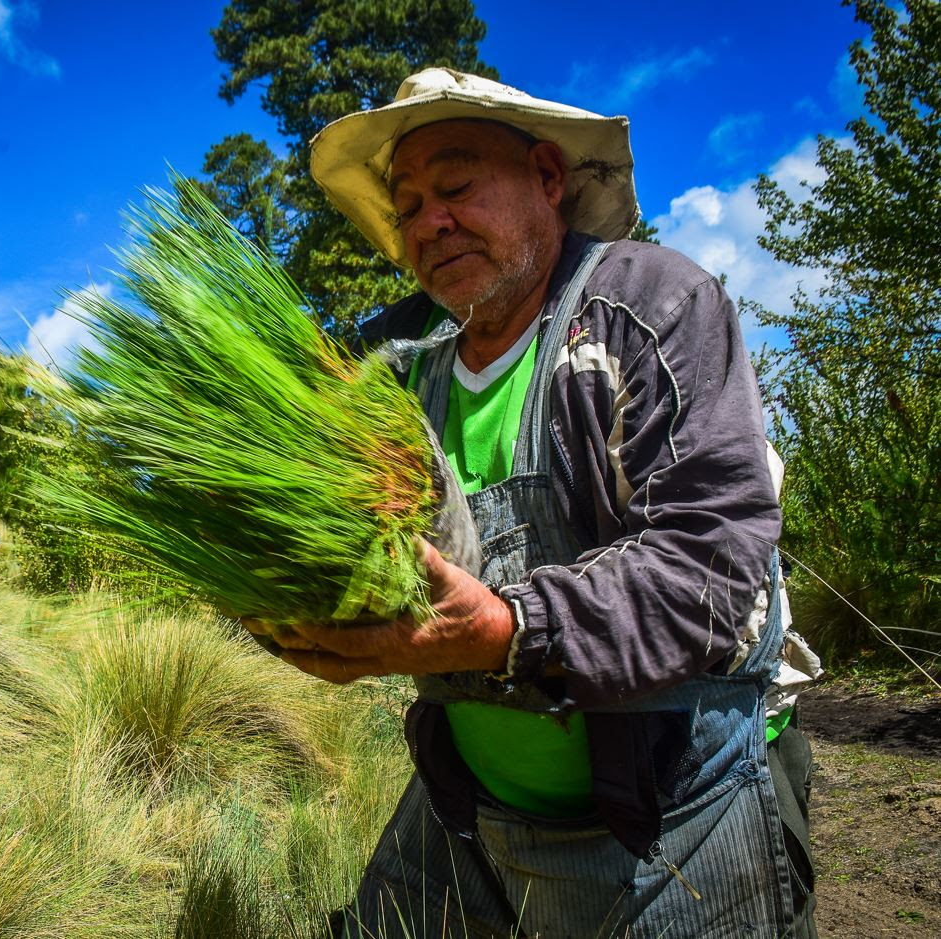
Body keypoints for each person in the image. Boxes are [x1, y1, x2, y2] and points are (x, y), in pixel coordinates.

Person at [249, 69, 819, 938]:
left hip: (674, 812)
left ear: (548, 179)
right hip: (469, 809)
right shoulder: (390, 366)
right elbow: (302, 513)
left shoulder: (649, 309)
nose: (427, 222)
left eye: (454, 186)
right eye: (406, 207)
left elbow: (710, 566)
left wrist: (508, 630)